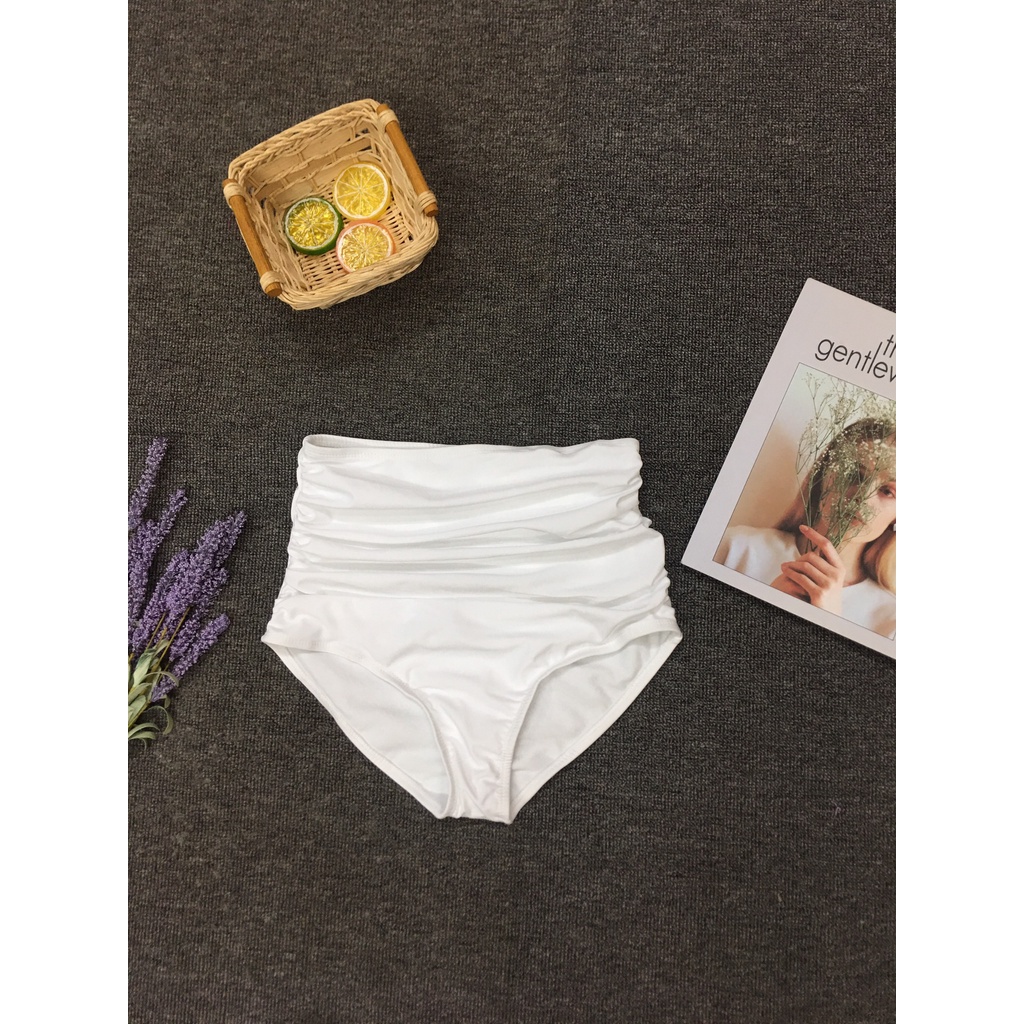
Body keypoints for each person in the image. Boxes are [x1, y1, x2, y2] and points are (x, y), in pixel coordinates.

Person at [715, 418, 896, 638]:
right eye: (854, 475)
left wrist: (828, 625)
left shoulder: (892, 623)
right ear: (823, 474)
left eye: (888, 491)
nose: (863, 497)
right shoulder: (732, 547)